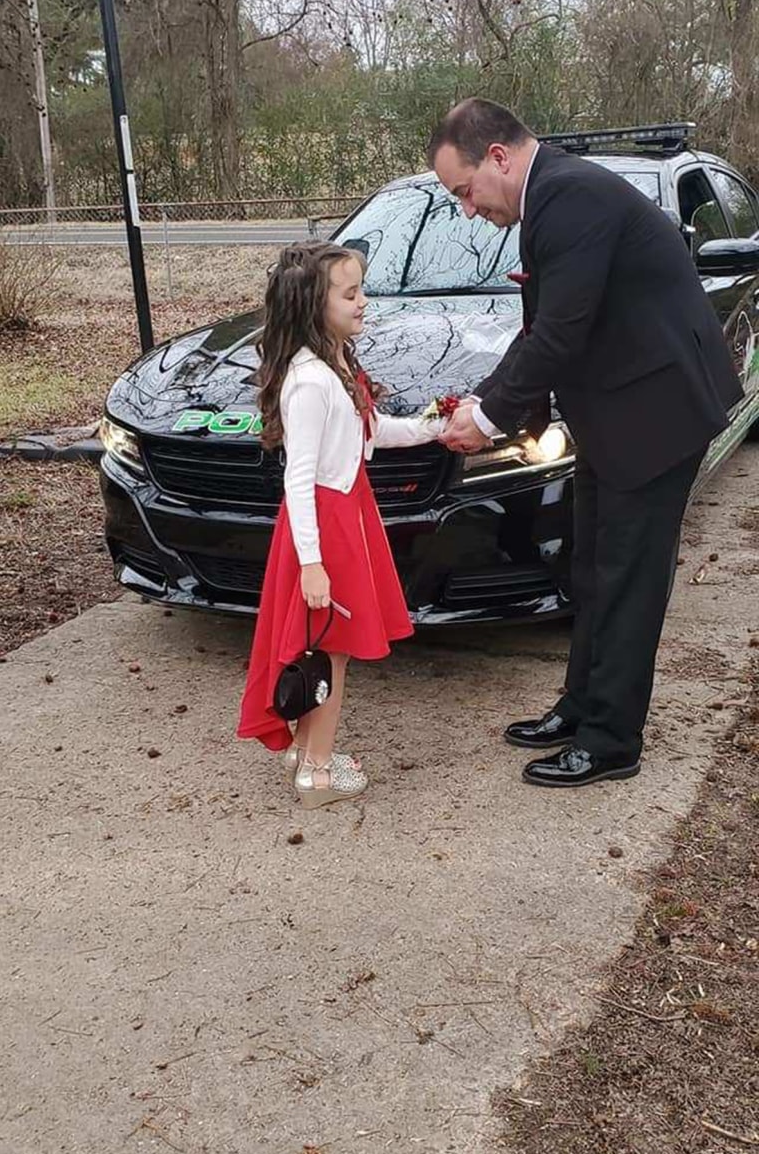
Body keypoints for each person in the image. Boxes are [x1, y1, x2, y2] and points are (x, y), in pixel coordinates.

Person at [430, 99, 742, 788]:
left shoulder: (568, 198)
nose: (468, 209)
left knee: (628, 580)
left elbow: (561, 333)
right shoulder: (552, 198)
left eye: (464, 190)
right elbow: (545, 329)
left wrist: (484, 424)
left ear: (499, 159)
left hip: (657, 412)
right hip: (616, 410)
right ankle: (580, 707)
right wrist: (487, 400)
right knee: (593, 567)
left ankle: (611, 741)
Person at [237, 241, 446, 809]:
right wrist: (312, 562)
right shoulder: (309, 382)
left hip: (346, 517)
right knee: (330, 651)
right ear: (311, 303)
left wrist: (436, 426)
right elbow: (297, 480)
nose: (363, 302)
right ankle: (318, 774)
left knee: (326, 646)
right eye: (350, 293)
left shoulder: (337, 366)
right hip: (326, 529)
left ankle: (305, 751)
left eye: (362, 290)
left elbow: (372, 433)